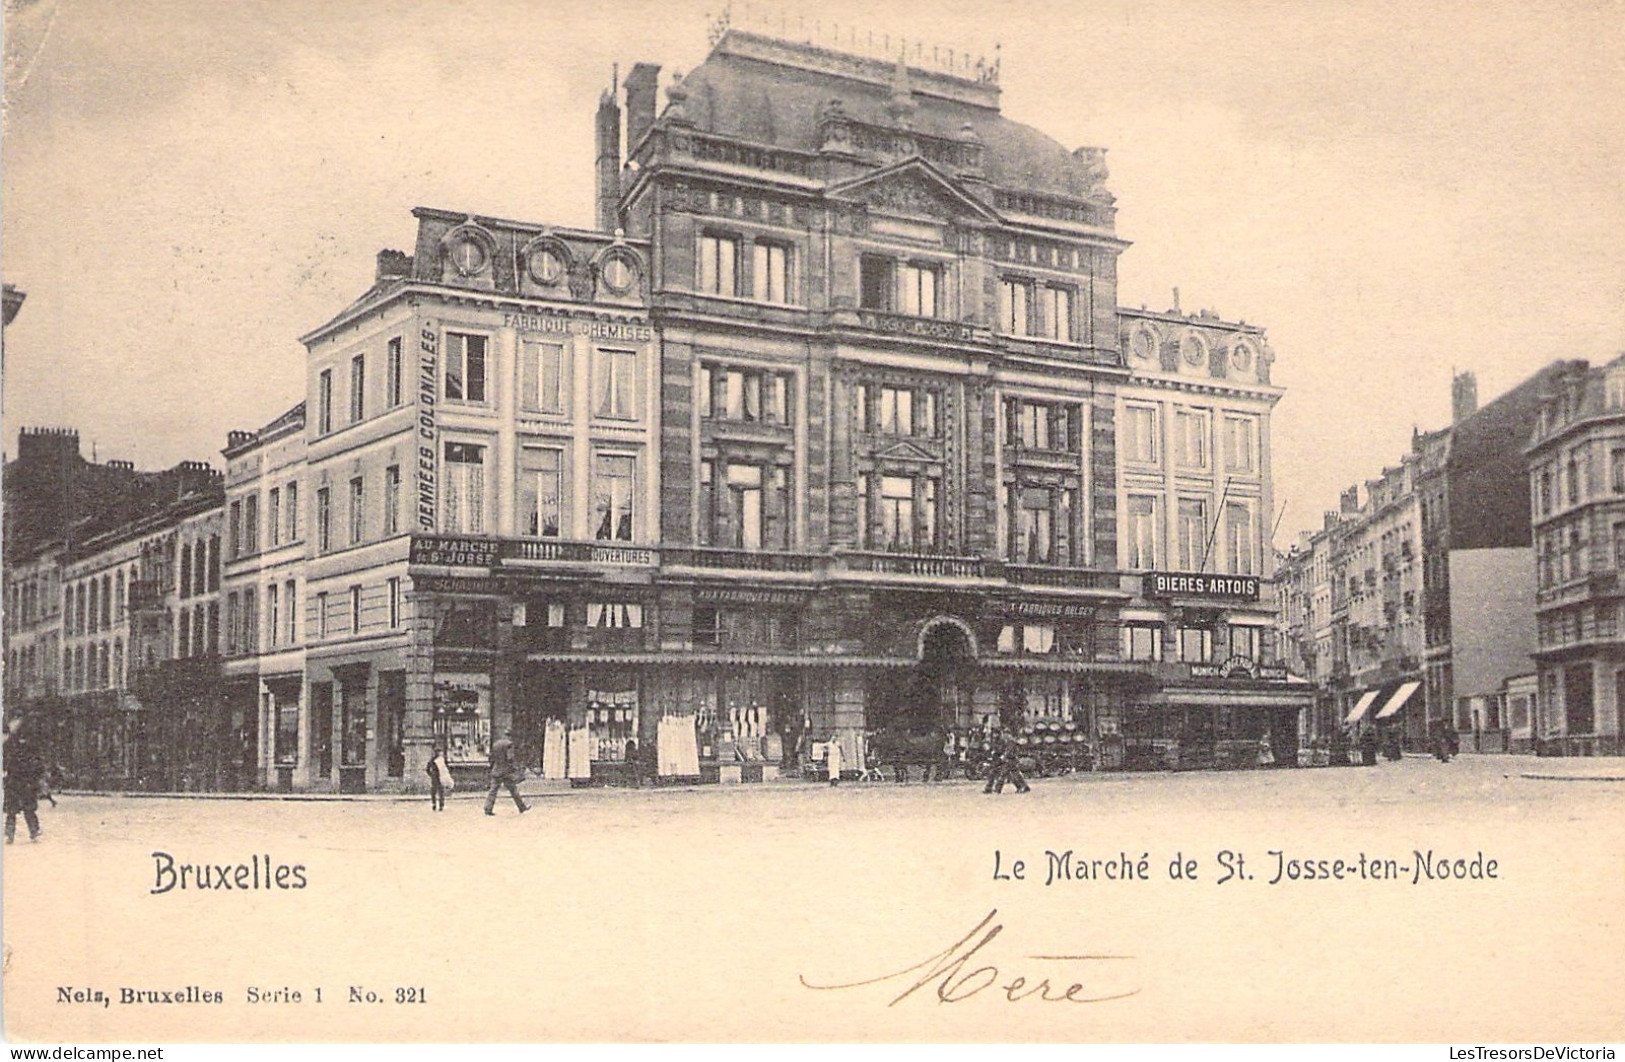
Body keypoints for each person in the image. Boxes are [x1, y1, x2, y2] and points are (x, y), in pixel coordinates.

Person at [4, 731, 45, 844]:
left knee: (12, 811)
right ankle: (33, 831)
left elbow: (7, 767)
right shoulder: (32, 754)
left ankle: (10, 833)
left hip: (14, 784)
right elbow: (39, 769)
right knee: (29, 810)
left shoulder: (12, 752)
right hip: (27, 785)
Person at [484, 729, 529, 816]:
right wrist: (513, 768)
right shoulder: (509, 744)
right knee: (513, 790)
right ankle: (522, 807)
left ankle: (488, 808)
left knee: (493, 790)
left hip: (496, 770)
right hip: (505, 772)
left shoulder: (496, 744)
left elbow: (491, 757)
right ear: (510, 736)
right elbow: (510, 758)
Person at [425, 744, 452, 812]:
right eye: (437, 752)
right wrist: (431, 774)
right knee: (435, 792)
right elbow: (428, 768)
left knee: (439, 792)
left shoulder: (440, 760)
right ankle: (435, 804)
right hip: (436, 778)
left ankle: (440, 805)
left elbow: (445, 768)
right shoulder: (434, 760)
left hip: (439, 778)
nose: (438, 753)